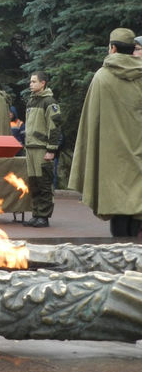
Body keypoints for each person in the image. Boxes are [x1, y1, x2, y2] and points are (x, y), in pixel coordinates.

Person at [69, 27, 142, 237]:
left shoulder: (102, 77)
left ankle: (118, 257)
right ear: (132, 49)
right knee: (137, 208)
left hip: (111, 158)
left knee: (117, 208)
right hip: (138, 154)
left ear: (112, 48)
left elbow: (92, 121)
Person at [23, 71, 62, 228]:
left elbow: (54, 126)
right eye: (30, 81)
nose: (30, 84)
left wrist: (51, 149)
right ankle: (36, 213)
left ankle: (44, 216)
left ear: (42, 83)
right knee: (33, 183)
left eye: (33, 81)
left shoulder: (49, 102)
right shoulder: (31, 101)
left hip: (41, 147)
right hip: (30, 147)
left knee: (43, 182)